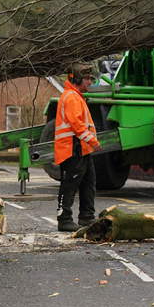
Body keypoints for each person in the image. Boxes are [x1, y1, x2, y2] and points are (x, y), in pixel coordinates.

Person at [54, 62, 101, 232]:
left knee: (88, 183)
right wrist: (93, 141)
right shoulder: (72, 97)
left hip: (79, 148)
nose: (90, 82)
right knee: (70, 185)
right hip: (72, 148)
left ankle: (87, 217)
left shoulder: (75, 96)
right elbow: (76, 124)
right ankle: (64, 219)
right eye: (88, 79)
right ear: (78, 80)